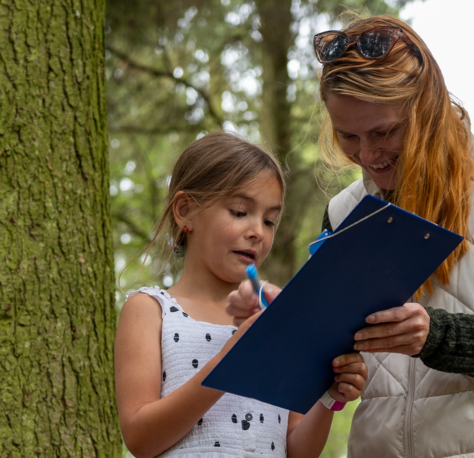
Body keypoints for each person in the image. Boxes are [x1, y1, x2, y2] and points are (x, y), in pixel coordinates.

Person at [227, 16, 474, 457]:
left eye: (384, 132)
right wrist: (277, 313)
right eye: (348, 136)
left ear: (427, 107)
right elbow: (331, 351)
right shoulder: (344, 212)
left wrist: (436, 335)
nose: (366, 154)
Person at [114, 131, 368, 458]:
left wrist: (328, 397)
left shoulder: (276, 320)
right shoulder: (150, 310)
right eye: (238, 212)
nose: (257, 232)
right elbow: (139, 437)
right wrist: (229, 363)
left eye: (270, 220)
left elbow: (297, 450)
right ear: (185, 210)